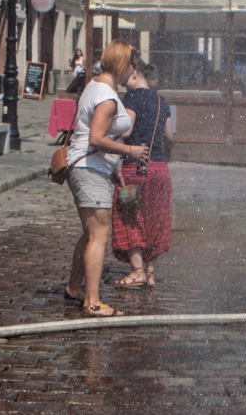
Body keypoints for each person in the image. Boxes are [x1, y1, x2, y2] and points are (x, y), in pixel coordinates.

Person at [64, 40, 149, 317]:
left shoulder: (95, 85)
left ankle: (74, 287)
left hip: (89, 166)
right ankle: (93, 301)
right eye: (131, 65)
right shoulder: (107, 98)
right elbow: (96, 138)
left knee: (90, 233)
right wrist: (130, 151)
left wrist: (114, 168)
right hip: (89, 169)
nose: (133, 71)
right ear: (123, 65)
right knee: (99, 234)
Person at [112, 59, 174, 289]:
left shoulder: (132, 98)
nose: (121, 80)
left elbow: (126, 130)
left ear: (134, 73)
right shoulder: (161, 101)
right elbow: (170, 136)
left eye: (123, 75)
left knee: (129, 216)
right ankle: (150, 272)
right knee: (154, 220)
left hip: (135, 169)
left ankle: (137, 270)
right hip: (160, 170)